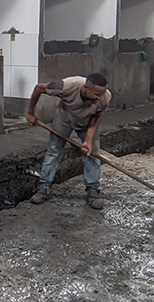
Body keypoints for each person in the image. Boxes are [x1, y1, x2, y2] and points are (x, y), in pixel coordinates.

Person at [27, 72, 110, 210]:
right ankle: (44, 186)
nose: (100, 98)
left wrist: (88, 141)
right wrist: (30, 112)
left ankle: (93, 190)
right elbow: (39, 88)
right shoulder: (68, 86)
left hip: (87, 122)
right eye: (96, 94)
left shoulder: (105, 97)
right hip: (64, 119)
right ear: (86, 88)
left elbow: (96, 118)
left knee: (93, 153)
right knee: (54, 150)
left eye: (102, 94)